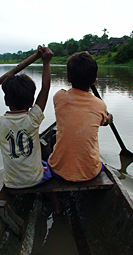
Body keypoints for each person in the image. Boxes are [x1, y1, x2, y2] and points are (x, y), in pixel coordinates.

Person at [0, 47, 54, 189]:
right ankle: (56, 204)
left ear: (6, 101)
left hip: (12, 183)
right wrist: (46, 63)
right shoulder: (33, 119)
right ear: (31, 103)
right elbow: (45, 88)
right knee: (50, 165)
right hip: (36, 179)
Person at [48, 51, 113, 182]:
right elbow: (104, 121)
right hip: (90, 173)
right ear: (94, 80)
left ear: (68, 79)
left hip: (58, 172)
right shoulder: (100, 105)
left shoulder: (59, 97)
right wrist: (109, 118)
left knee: (53, 138)